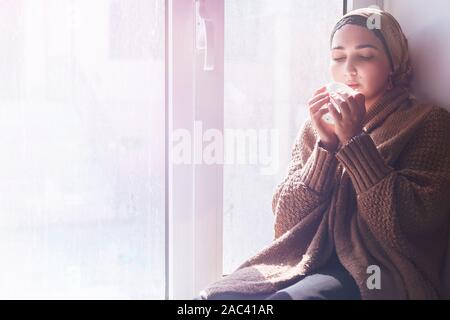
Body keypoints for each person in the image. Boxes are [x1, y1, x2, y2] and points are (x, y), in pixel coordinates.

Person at [196, 7, 450, 300]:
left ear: (393, 63)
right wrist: (325, 149)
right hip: (305, 258)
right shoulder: (315, 127)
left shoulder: (428, 122)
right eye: (338, 57)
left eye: (365, 55)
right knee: (215, 298)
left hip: (377, 270)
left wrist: (355, 141)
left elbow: (414, 222)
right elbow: (285, 220)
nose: (349, 68)